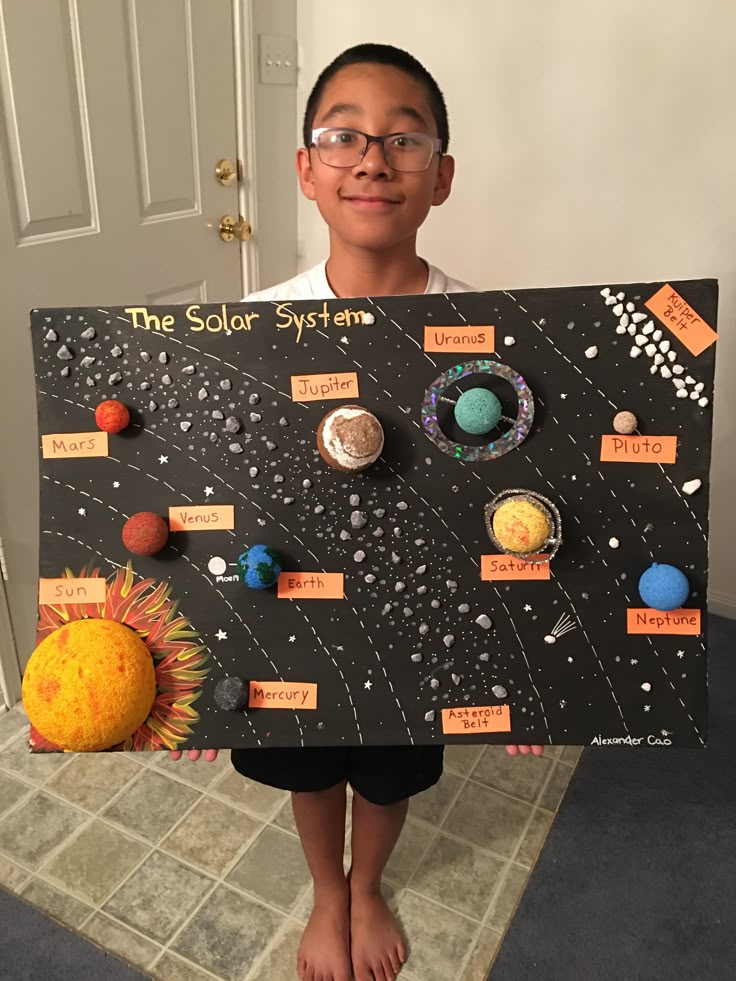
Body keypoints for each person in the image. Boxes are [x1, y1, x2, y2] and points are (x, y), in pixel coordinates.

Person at [172, 43, 543, 981]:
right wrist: (203, 676)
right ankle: (327, 893)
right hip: (297, 608)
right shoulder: (252, 327)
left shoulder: (493, 338)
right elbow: (217, 500)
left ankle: (367, 882)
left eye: (404, 139)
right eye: (343, 136)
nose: (372, 158)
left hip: (420, 620)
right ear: (306, 168)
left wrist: (538, 670)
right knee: (310, 759)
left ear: (441, 176)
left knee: (389, 768)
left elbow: (523, 502)